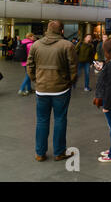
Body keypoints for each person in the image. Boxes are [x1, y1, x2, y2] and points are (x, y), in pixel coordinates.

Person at [26, 20, 77, 162]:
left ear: (47, 30)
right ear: (61, 31)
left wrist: (36, 80)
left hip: (41, 89)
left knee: (42, 120)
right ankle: (59, 152)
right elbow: (73, 67)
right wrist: (69, 81)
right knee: (60, 119)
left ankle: (40, 153)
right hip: (61, 89)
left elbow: (29, 66)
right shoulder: (67, 45)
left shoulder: (36, 45)